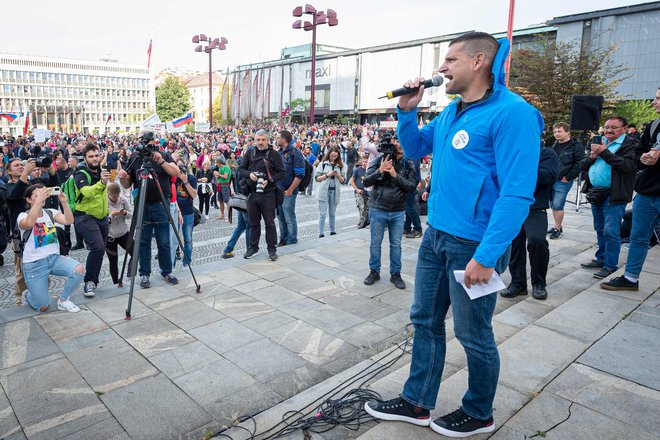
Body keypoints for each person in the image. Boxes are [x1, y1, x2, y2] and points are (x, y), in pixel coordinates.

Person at [364, 32, 542, 437]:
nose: (441, 68)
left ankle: (480, 411)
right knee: (424, 319)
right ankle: (417, 402)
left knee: (472, 331)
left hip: (474, 245)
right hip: (436, 236)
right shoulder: (452, 112)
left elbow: (516, 193)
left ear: (479, 61)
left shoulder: (513, 114)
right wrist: (407, 112)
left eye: (450, 60)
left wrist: (487, 254)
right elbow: (413, 150)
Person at [601, 88, 660, 291]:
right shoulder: (653, 126)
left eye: (658, 98)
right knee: (638, 237)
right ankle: (630, 278)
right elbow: (638, 157)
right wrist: (643, 159)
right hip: (647, 192)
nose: (654, 102)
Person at [119, 132, 181, 289]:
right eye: (148, 144)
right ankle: (144, 274)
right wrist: (122, 177)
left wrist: (161, 162)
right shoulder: (135, 157)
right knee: (143, 242)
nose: (150, 147)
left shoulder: (164, 155)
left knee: (164, 241)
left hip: (161, 204)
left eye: (153, 144)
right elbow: (127, 185)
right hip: (143, 205)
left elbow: (175, 172)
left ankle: (166, 271)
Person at [579, 116, 638, 280]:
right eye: (606, 127)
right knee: (599, 228)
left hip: (614, 194)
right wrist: (591, 157)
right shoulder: (600, 142)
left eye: (614, 127)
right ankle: (601, 258)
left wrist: (603, 152)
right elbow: (582, 166)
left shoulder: (630, 145)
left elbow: (627, 167)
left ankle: (610, 265)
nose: (609, 130)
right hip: (596, 192)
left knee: (611, 230)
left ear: (624, 129)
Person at [500, 143, 559, 300]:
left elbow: (549, 177)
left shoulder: (546, 153)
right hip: (512, 206)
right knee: (514, 245)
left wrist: (523, 168)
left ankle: (539, 283)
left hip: (535, 207)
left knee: (537, 241)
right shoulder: (511, 150)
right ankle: (518, 283)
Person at [362, 136, 417, 289]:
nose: (399, 144)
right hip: (378, 208)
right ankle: (374, 271)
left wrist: (394, 174)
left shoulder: (409, 162)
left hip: (398, 210)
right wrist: (380, 170)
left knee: (396, 244)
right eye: (397, 141)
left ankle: (395, 274)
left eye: (402, 140)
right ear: (393, 143)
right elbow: (366, 182)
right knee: (375, 243)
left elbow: (412, 187)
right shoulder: (380, 158)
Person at [18, 184, 83, 313]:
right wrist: (38, 202)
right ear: (29, 200)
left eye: (42, 195)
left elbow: (69, 220)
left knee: (78, 269)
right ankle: (28, 295)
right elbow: (30, 223)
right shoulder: (22, 216)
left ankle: (63, 300)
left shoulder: (50, 213)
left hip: (54, 259)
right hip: (34, 264)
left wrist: (64, 203)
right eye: (36, 196)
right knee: (42, 306)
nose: (41, 198)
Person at [5, 157, 59, 305]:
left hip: (40, 231)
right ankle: (21, 299)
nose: (21, 167)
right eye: (17, 166)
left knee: (44, 264)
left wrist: (50, 170)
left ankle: (42, 296)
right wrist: (26, 173)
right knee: (22, 271)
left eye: (22, 165)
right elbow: (15, 194)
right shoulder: (7, 187)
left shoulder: (33, 184)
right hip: (21, 236)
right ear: (9, 171)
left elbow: (54, 185)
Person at [238, 129, 285, 261]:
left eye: (263, 140)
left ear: (268, 140)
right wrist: (249, 175)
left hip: (268, 194)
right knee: (253, 223)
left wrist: (268, 181)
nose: (260, 142)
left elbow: (282, 173)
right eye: (258, 140)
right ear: (254, 140)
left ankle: (272, 249)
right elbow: (241, 170)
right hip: (252, 194)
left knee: (269, 223)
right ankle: (253, 247)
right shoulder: (250, 152)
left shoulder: (274, 154)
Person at [73, 143, 112, 297]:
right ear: (85, 158)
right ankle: (88, 282)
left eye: (96, 155)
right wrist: (102, 183)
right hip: (85, 217)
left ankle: (94, 280)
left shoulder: (101, 171)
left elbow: (103, 195)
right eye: (91, 156)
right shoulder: (81, 173)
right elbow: (86, 192)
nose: (95, 158)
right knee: (97, 247)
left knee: (100, 250)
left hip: (102, 217)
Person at [547, 122, 585, 239]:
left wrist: (568, 177)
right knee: (553, 205)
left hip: (563, 180)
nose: (557, 134)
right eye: (555, 132)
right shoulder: (555, 145)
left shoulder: (576, 146)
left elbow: (580, 163)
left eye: (559, 131)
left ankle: (558, 229)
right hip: (552, 179)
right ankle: (557, 225)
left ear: (567, 132)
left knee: (558, 205)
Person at [276, 129, 306, 246]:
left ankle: (292, 239)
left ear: (284, 140)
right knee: (280, 217)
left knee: (289, 217)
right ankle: (283, 238)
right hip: (278, 191)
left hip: (288, 191)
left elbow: (300, 174)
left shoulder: (295, 153)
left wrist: (290, 190)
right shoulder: (279, 153)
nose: (276, 139)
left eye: (278, 137)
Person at [314, 146, 346, 238]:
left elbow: (343, 181)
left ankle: (332, 230)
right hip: (323, 191)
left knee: (332, 213)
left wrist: (338, 175)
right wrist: (327, 175)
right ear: (329, 154)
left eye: (335, 156)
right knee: (322, 213)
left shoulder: (340, 165)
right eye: (332, 155)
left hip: (334, 192)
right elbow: (317, 178)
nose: (333, 158)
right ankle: (321, 232)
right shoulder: (323, 164)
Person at [105, 183, 132, 284]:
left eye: (117, 195)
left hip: (123, 233)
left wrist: (124, 213)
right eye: (114, 196)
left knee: (135, 252)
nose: (116, 198)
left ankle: (129, 275)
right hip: (110, 236)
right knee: (113, 261)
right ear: (109, 194)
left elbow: (130, 215)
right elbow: (103, 221)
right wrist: (112, 215)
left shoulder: (123, 200)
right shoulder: (104, 202)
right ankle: (116, 283)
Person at [174, 164, 197, 267]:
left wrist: (185, 181)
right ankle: (172, 265)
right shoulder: (173, 179)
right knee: (173, 240)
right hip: (174, 212)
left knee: (188, 240)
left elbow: (193, 195)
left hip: (188, 212)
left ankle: (186, 263)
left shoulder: (191, 179)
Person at [349, 155, 369, 229]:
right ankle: (361, 223)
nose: (364, 163)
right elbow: (352, 181)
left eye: (366, 162)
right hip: (359, 192)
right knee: (361, 207)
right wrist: (356, 189)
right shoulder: (357, 170)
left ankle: (365, 222)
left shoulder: (371, 169)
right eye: (363, 162)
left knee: (367, 209)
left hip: (368, 193)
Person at [213, 156, 231, 221]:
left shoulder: (226, 167)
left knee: (227, 201)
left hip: (225, 186)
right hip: (220, 186)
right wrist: (217, 176)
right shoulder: (220, 168)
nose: (215, 163)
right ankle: (222, 215)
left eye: (216, 162)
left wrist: (218, 174)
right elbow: (219, 177)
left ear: (219, 162)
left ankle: (229, 216)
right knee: (220, 201)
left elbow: (225, 177)